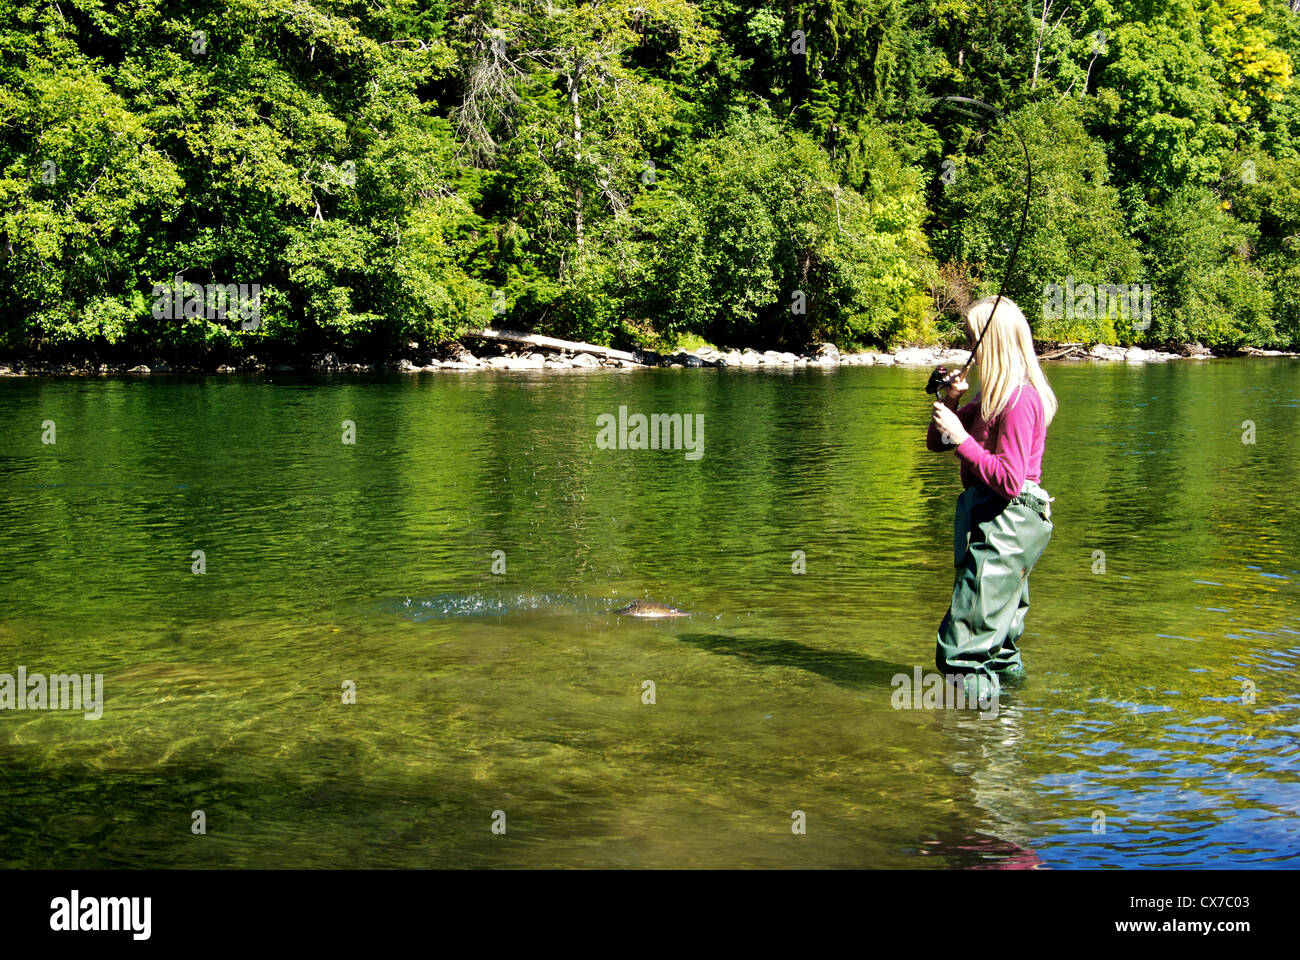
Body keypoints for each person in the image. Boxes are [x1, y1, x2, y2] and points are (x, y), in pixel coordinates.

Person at [926, 296, 1058, 704]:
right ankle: (1007, 725)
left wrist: (964, 439)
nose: (970, 349)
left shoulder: (1019, 400)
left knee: (963, 646)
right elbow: (936, 443)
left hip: (1009, 519)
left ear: (995, 342)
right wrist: (950, 401)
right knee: (999, 645)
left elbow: (1010, 479)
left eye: (973, 339)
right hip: (1001, 521)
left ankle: (972, 743)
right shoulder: (988, 400)